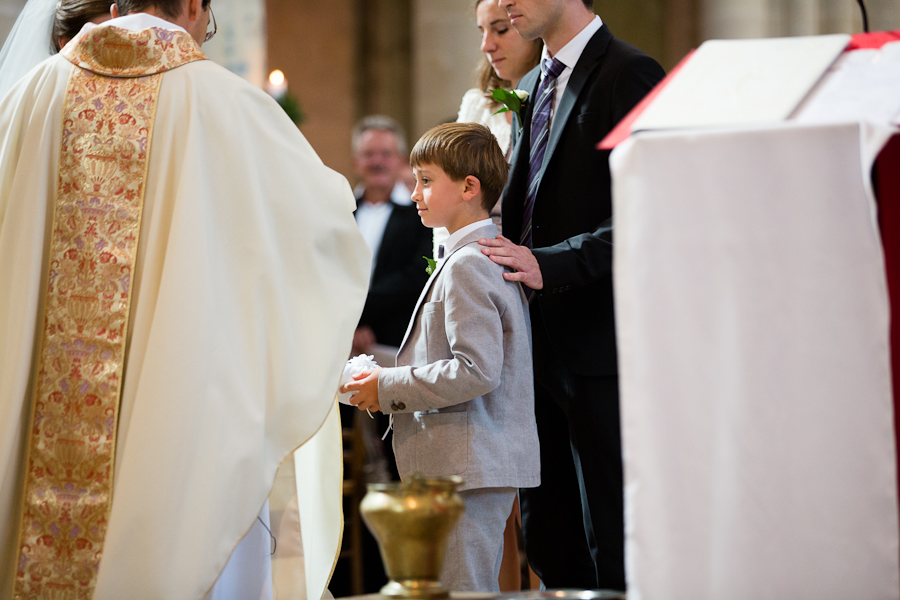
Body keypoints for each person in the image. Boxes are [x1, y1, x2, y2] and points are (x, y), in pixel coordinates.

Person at [0, 1, 370, 599]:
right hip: (183, 412)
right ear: (195, 7)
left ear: (116, 5)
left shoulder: (32, 95)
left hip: (34, 426)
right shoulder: (230, 103)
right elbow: (323, 233)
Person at [479, 0, 666, 591]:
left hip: (598, 349)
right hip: (535, 348)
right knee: (549, 539)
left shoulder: (628, 73)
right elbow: (526, 206)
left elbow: (648, 214)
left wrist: (548, 264)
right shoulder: (536, 81)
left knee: (608, 539)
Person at [343, 123, 540, 592]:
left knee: (462, 591)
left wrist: (384, 387)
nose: (414, 194)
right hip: (463, 464)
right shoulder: (466, 255)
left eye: (426, 180)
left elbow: (477, 369)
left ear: (470, 187)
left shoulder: (470, 262)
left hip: (468, 466)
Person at [433, 0, 542, 258]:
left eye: (500, 29)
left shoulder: (554, 105)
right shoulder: (477, 106)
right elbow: (447, 195)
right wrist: (443, 266)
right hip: (472, 262)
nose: (486, 45)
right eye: (482, 31)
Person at [352, 115, 433, 356]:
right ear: (356, 161)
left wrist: (357, 316)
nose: (377, 161)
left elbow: (414, 277)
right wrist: (350, 324)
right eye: (368, 154)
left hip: (395, 340)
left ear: (400, 161)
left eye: (386, 154)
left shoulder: (421, 215)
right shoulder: (340, 212)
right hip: (341, 336)